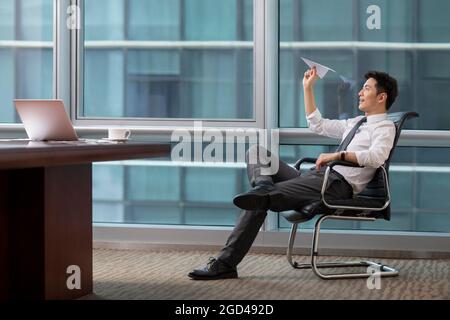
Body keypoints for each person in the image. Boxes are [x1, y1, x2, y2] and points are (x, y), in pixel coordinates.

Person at [188, 68, 398, 280]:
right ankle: (263, 185)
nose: (360, 93)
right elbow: (317, 125)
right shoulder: (355, 123)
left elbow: (376, 157)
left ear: (381, 97)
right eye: (362, 88)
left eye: (366, 88)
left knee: (258, 200)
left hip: (335, 186)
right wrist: (307, 88)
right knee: (258, 153)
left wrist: (337, 156)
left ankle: (225, 263)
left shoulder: (385, 127)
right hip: (317, 178)